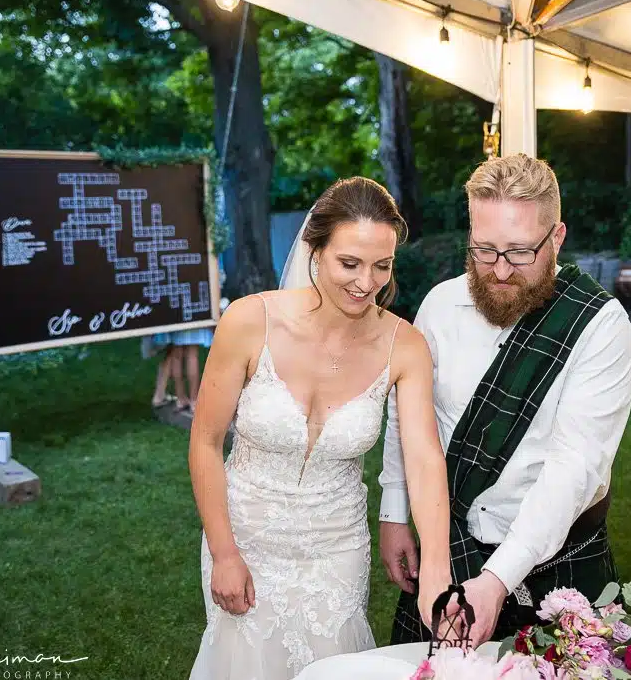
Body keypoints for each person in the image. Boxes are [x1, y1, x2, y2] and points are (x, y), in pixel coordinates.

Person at [186, 177, 453, 680]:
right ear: (315, 249)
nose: (365, 282)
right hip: (245, 536)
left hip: (337, 547)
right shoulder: (247, 321)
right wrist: (224, 552)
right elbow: (204, 442)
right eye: (349, 263)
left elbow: (424, 458)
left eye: (382, 266)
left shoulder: (405, 345)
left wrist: (436, 568)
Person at [380, 154, 631, 648]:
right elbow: (407, 422)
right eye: (483, 249)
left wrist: (498, 578)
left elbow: (574, 467)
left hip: (559, 559)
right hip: (451, 547)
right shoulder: (439, 306)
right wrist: (394, 512)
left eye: (520, 252)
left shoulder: (600, 327)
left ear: (556, 238)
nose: (499, 270)